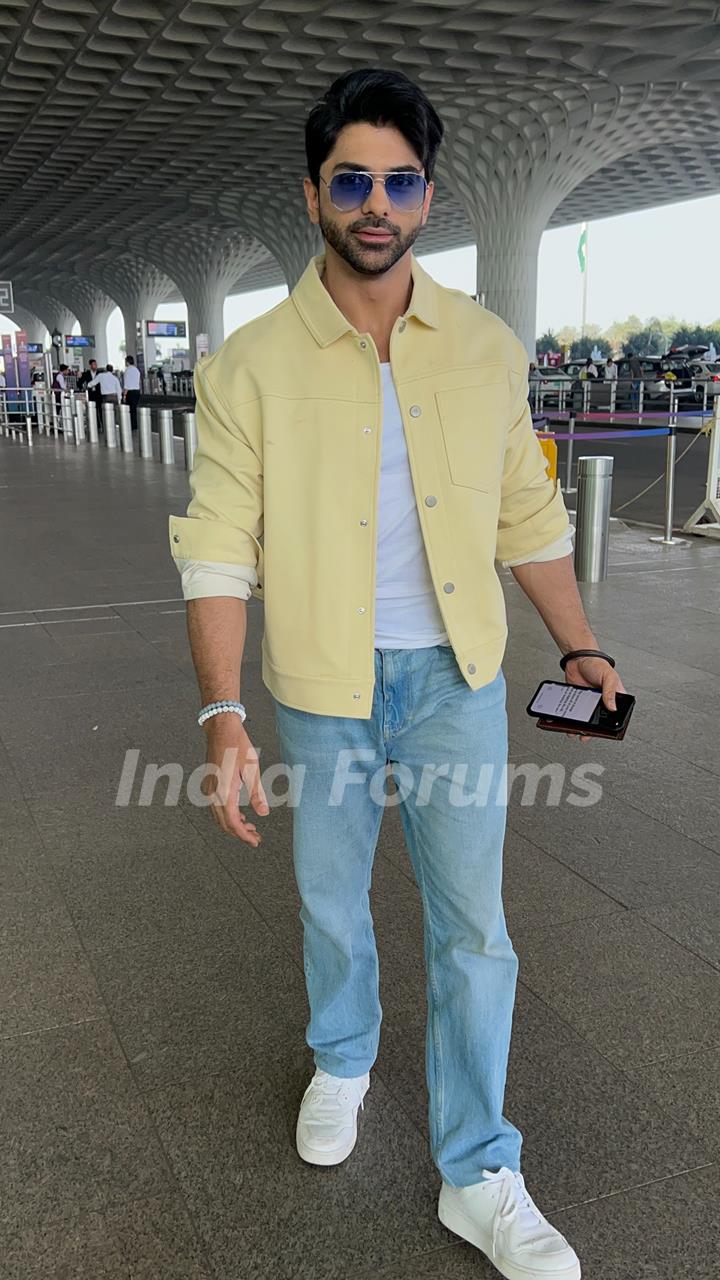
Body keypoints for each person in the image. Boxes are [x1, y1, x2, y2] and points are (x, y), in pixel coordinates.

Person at [169, 68, 626, 1280]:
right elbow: (217, 539)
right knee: (331, 896)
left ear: (429, 194)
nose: (377, 203)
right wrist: (223, 715)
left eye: (400, 181)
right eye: (353, 180)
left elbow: (527, 511)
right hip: (321, 685)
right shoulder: (251, 365)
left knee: (475, 926)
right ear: (314, 189)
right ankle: (344, 1051)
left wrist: (579, 643)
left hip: (458, 681)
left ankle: (478, 1168)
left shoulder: (483, 348)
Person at [122, 355, 142, 430]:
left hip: (130, 393)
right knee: (134, 409)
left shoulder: (127, 370)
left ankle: (132, 425)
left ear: (127, 362)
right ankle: (135, 425)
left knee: (130, 410)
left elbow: (126, 384)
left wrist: (124, 395)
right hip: (137, 391)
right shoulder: (137, 370)